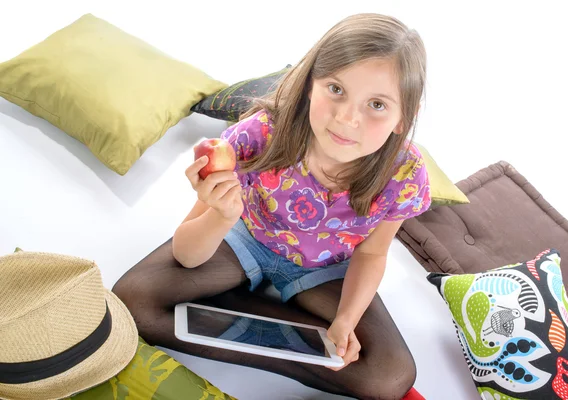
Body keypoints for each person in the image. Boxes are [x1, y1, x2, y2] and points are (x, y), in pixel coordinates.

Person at [113, 12, 431, 400]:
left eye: (377, 104)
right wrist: (222, 213)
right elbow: (188, 254)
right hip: (247, 238)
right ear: (311, 84)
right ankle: (245, 310)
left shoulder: (406, 173)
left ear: (403, 119)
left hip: (328, 268)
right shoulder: (259, 134)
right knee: (133, 299)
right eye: (336, 88)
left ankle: (226, 309)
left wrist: (345, 321)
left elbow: (373, 252)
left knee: (389, 377)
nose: (348, 118)